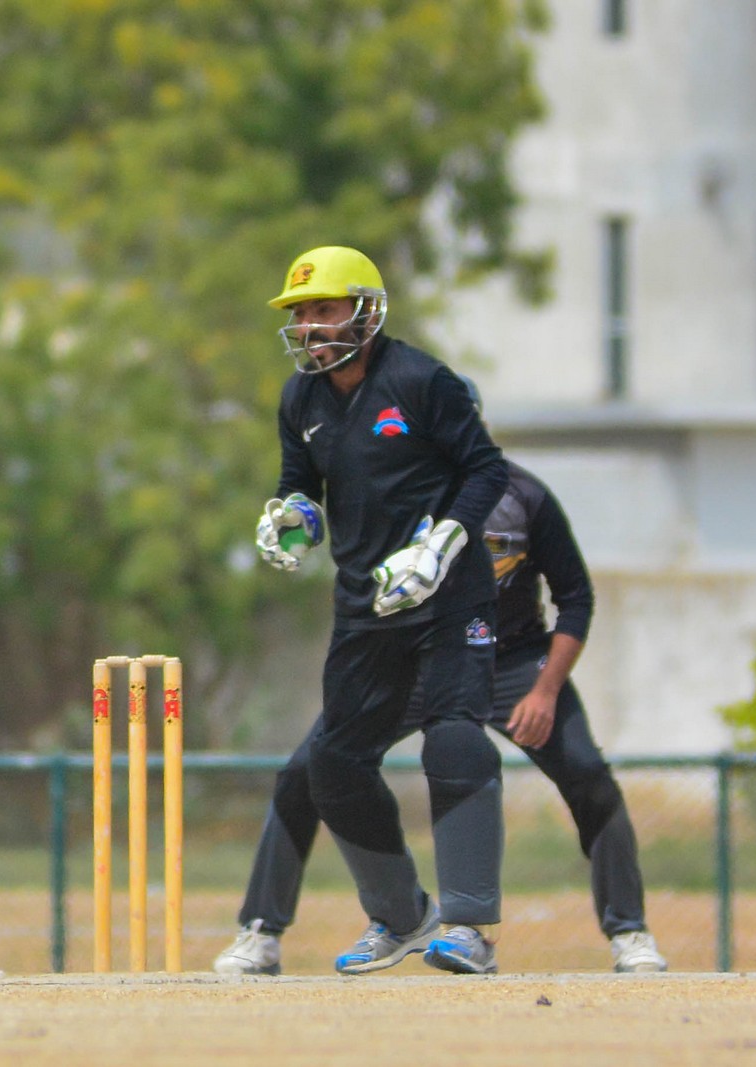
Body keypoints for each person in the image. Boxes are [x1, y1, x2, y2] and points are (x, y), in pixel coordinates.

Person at [217, 378, 668, 977]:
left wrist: (545, 691)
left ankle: (629, 931)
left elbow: (576, 598)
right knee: (309, 770)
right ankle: (262, 931)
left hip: (510, 663)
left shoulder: (524, 497)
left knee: (587, 775)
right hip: (415, 660)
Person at [251, 246, 510, 975]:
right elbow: (301, 483)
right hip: (367, 605)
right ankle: (400, 915)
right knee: (333, 763)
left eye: (324, 309)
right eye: (301, 313)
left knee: (454, 740)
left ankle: (469, 928)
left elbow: (485, 468)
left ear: (366, 311)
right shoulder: (300, 399)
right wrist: (292, 516)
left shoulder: (421, 381)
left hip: (449, 596)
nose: (310, 325)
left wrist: (442, 544)